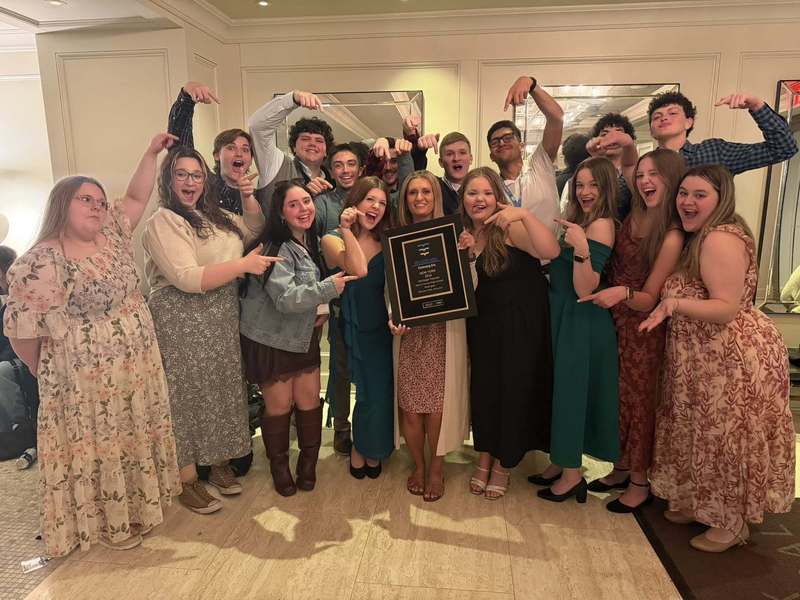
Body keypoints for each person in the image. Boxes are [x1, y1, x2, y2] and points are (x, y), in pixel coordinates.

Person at [3, 135, 182, 556]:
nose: (97, 207)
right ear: (62, 204)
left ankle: (136, 510)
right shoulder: (43, 259)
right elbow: (21, 332)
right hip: (83, 378)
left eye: (100, 201)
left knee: (129, 435)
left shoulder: (114, 234)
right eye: (86, 199)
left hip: (134, 365)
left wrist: (151, 152)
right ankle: (110, 526)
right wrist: (47, 370)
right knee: (99, 446)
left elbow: (138, 195)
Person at [640, 165, 796, 552]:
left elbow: (726, 308)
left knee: (725, 438)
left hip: (728, 357)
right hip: (705, 358)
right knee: (701, 433)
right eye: (684, 194)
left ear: (720, 198)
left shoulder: (719, 239)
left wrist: (673, 302)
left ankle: (731, 522)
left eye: (699, 195)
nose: (688, 202)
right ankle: (700, 504)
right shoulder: (702, 236)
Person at [142, 145, 273, 514]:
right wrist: (243, 266)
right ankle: (186, 479)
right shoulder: (164, 220)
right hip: (181, 315)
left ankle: (217, 464)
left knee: (220, 388)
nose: (190, 181)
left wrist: (248, 195)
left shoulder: (215, 216)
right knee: (184, 396)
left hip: (219, 313)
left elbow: (254, 227)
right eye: (181, 174)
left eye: (196, 175)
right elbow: (185, 278)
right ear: (168, 180)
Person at [578, 149, 686, 512]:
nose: (644, 181)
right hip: (614, 321)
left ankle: (640, 481)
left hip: (642, 328)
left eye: (653, 174)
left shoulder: (671, 234)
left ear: (670, 178)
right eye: (640, 174)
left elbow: (649, 298)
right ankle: (622, 465)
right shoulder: (633, 216)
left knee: (640, 404)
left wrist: (621, 293)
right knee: (619, 399)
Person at [239, 180, 359, 497]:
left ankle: (308, 464)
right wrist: (328, 289)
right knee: (279, 407)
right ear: (280, 213)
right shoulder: (275, 249)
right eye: (293, 204)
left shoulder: (312, 242)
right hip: (272, 340)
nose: (303, 209)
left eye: (306, 201)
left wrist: (319, 303)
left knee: (308, 402)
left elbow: (307, 289)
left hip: (302, 337)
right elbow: (286, 299)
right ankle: (279, 467)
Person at [460, 167, 560, 500]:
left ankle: (503, 463)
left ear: (498, 197)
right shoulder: (466, 233)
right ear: (463, 199)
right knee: (485, 391)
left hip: (521, 325)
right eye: (473, 193)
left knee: (513, 392)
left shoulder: (510, 226)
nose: (480, 200)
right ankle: (484, 455)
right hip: (484, 325)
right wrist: (466, 254)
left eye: (487, 193)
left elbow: (551, 251)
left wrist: (526, 216)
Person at [531, 157, 620, 503]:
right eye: (580, 184)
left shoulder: (599, 225)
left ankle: (572, 475)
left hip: (581, 319)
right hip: (563, 315)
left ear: (606, 188)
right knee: (558, 390)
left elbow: (587, 289)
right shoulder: (580, 219)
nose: (584, 192)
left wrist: (581, 247)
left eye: (592, 185)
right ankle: (560, 461)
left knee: (570, 395)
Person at [389, 171, 470, 502]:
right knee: (410, 408)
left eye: (426, 191)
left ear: (436, 195)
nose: (419, 198)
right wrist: (392, 316)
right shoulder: (395, 237)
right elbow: (389, 288)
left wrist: (469, 254)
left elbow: (470, 287)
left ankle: (436, 469)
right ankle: (418, 466)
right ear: (405, 200)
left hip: (443, 332)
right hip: (409, 334)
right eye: (412, 193)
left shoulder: (454, 235)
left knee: (437, 408)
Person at [322, 177, 394, 478]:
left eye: (382, 202)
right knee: (359, 392)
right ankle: (357, 447)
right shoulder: (333, 238)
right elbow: (357, 268)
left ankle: (370, 448)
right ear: (356, 202)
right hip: (349, 326)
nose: (376, 207)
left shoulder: (388, 240)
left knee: (377, 393)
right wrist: (348, 230)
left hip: (381, 327)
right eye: (370, 200)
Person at [647, 90, 798, 173]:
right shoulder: (645, 165)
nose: (664, 118)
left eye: (672, 113)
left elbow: (784, 148)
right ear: (651, 130)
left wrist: (756, 105)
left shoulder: (716, 152)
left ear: (689, 122)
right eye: (657, 117)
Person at [487, 75, 564, 232]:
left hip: (550, 254)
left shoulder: (540, 164)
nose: (501, 143)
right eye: (495, 142)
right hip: (513, 255)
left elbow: (556, 118)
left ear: (521, 145)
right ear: (491, 156)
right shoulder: (491, 188)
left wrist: (531, 83)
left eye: (508, 138)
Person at [168, 80, 257, 215]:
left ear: (251, 159)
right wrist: (186, 96)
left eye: (245, 149)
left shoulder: (256, 196)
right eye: (231, 148)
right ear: (216, 155)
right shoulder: (204, 185)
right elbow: (180, 148)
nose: (239, 153)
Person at [248, 90, 335, 209]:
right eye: (305, 139)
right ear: (294, 146)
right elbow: (257, 127)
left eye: (319, 140)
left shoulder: (335, 181)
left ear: (326, 151)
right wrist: (293, 98)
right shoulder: (277, 165)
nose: (312, 144)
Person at [405, 116, 472, 215]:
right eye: (449, 154)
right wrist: (419, 150)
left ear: (471, 159)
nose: (456, 158)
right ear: (441, 162)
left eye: (462, 152)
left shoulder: (479, 190)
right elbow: (413, 175)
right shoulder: (432, 187)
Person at [585, 113, 638, 220]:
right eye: (604, 134)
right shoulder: (588, 172)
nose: (613, 138)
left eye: (619, 133)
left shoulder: (639, 170)